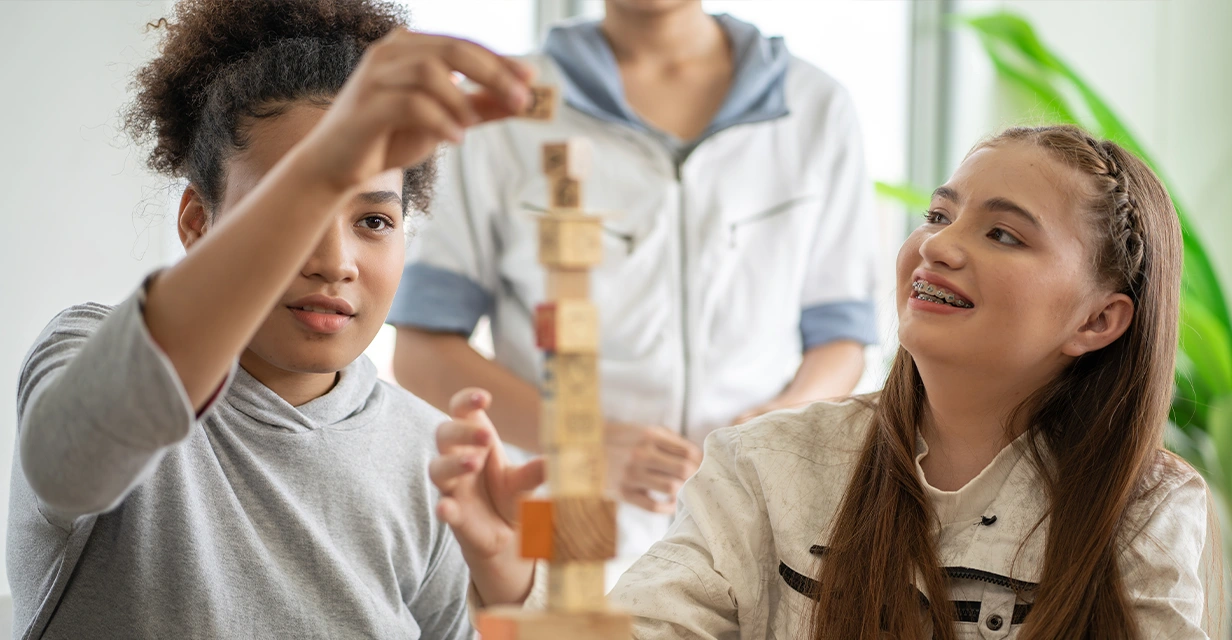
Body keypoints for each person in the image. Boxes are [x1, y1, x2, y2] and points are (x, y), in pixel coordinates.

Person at [432, 125, 1213, 638]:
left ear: (1098, 321)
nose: (939, 247)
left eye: (1002, 233)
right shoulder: (764, 463)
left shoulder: (1148, 508)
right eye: (940, 217)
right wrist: (512, 575)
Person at [8, 0, 536, 637]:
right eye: (297, 204)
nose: (336, 262)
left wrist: (510, 589)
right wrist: (324, 163)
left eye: (373, 221)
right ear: (198, 222)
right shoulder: (88, 349)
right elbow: (70, 464)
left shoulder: (433, 455)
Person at [389, 0, 879, 569]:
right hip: (562, 540)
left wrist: (772, 431)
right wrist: (582, 444)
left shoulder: (816, 106)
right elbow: (423, 354)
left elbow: (840, 340)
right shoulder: (504, 109)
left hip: (760, 528)